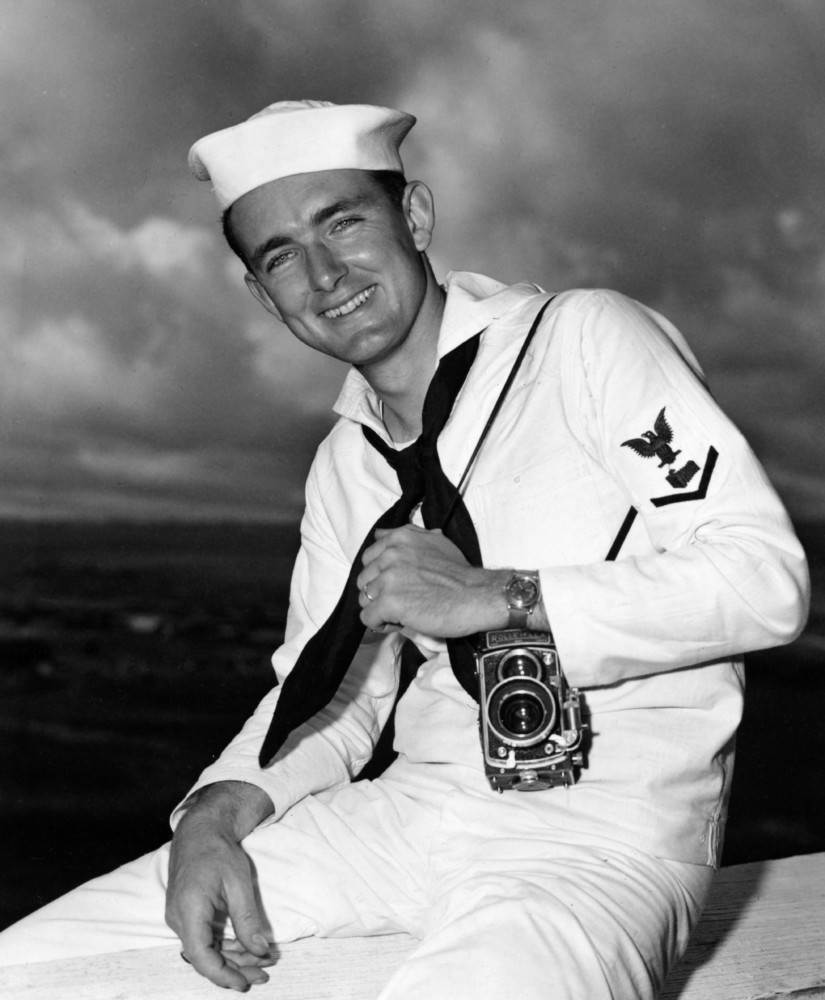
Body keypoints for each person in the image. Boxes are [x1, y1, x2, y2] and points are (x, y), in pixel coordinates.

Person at [0, 100, 809, 999]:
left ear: (414, 216)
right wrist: (211, 817)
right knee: (29, 973)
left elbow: (763, 580)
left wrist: (497, 596)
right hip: (404, 818)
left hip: (597, 839)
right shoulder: (346, 461)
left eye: (342, 222)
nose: (322, 273)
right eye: (280, 257)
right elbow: (329, 696)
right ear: (263, 296)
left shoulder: (581, 338)